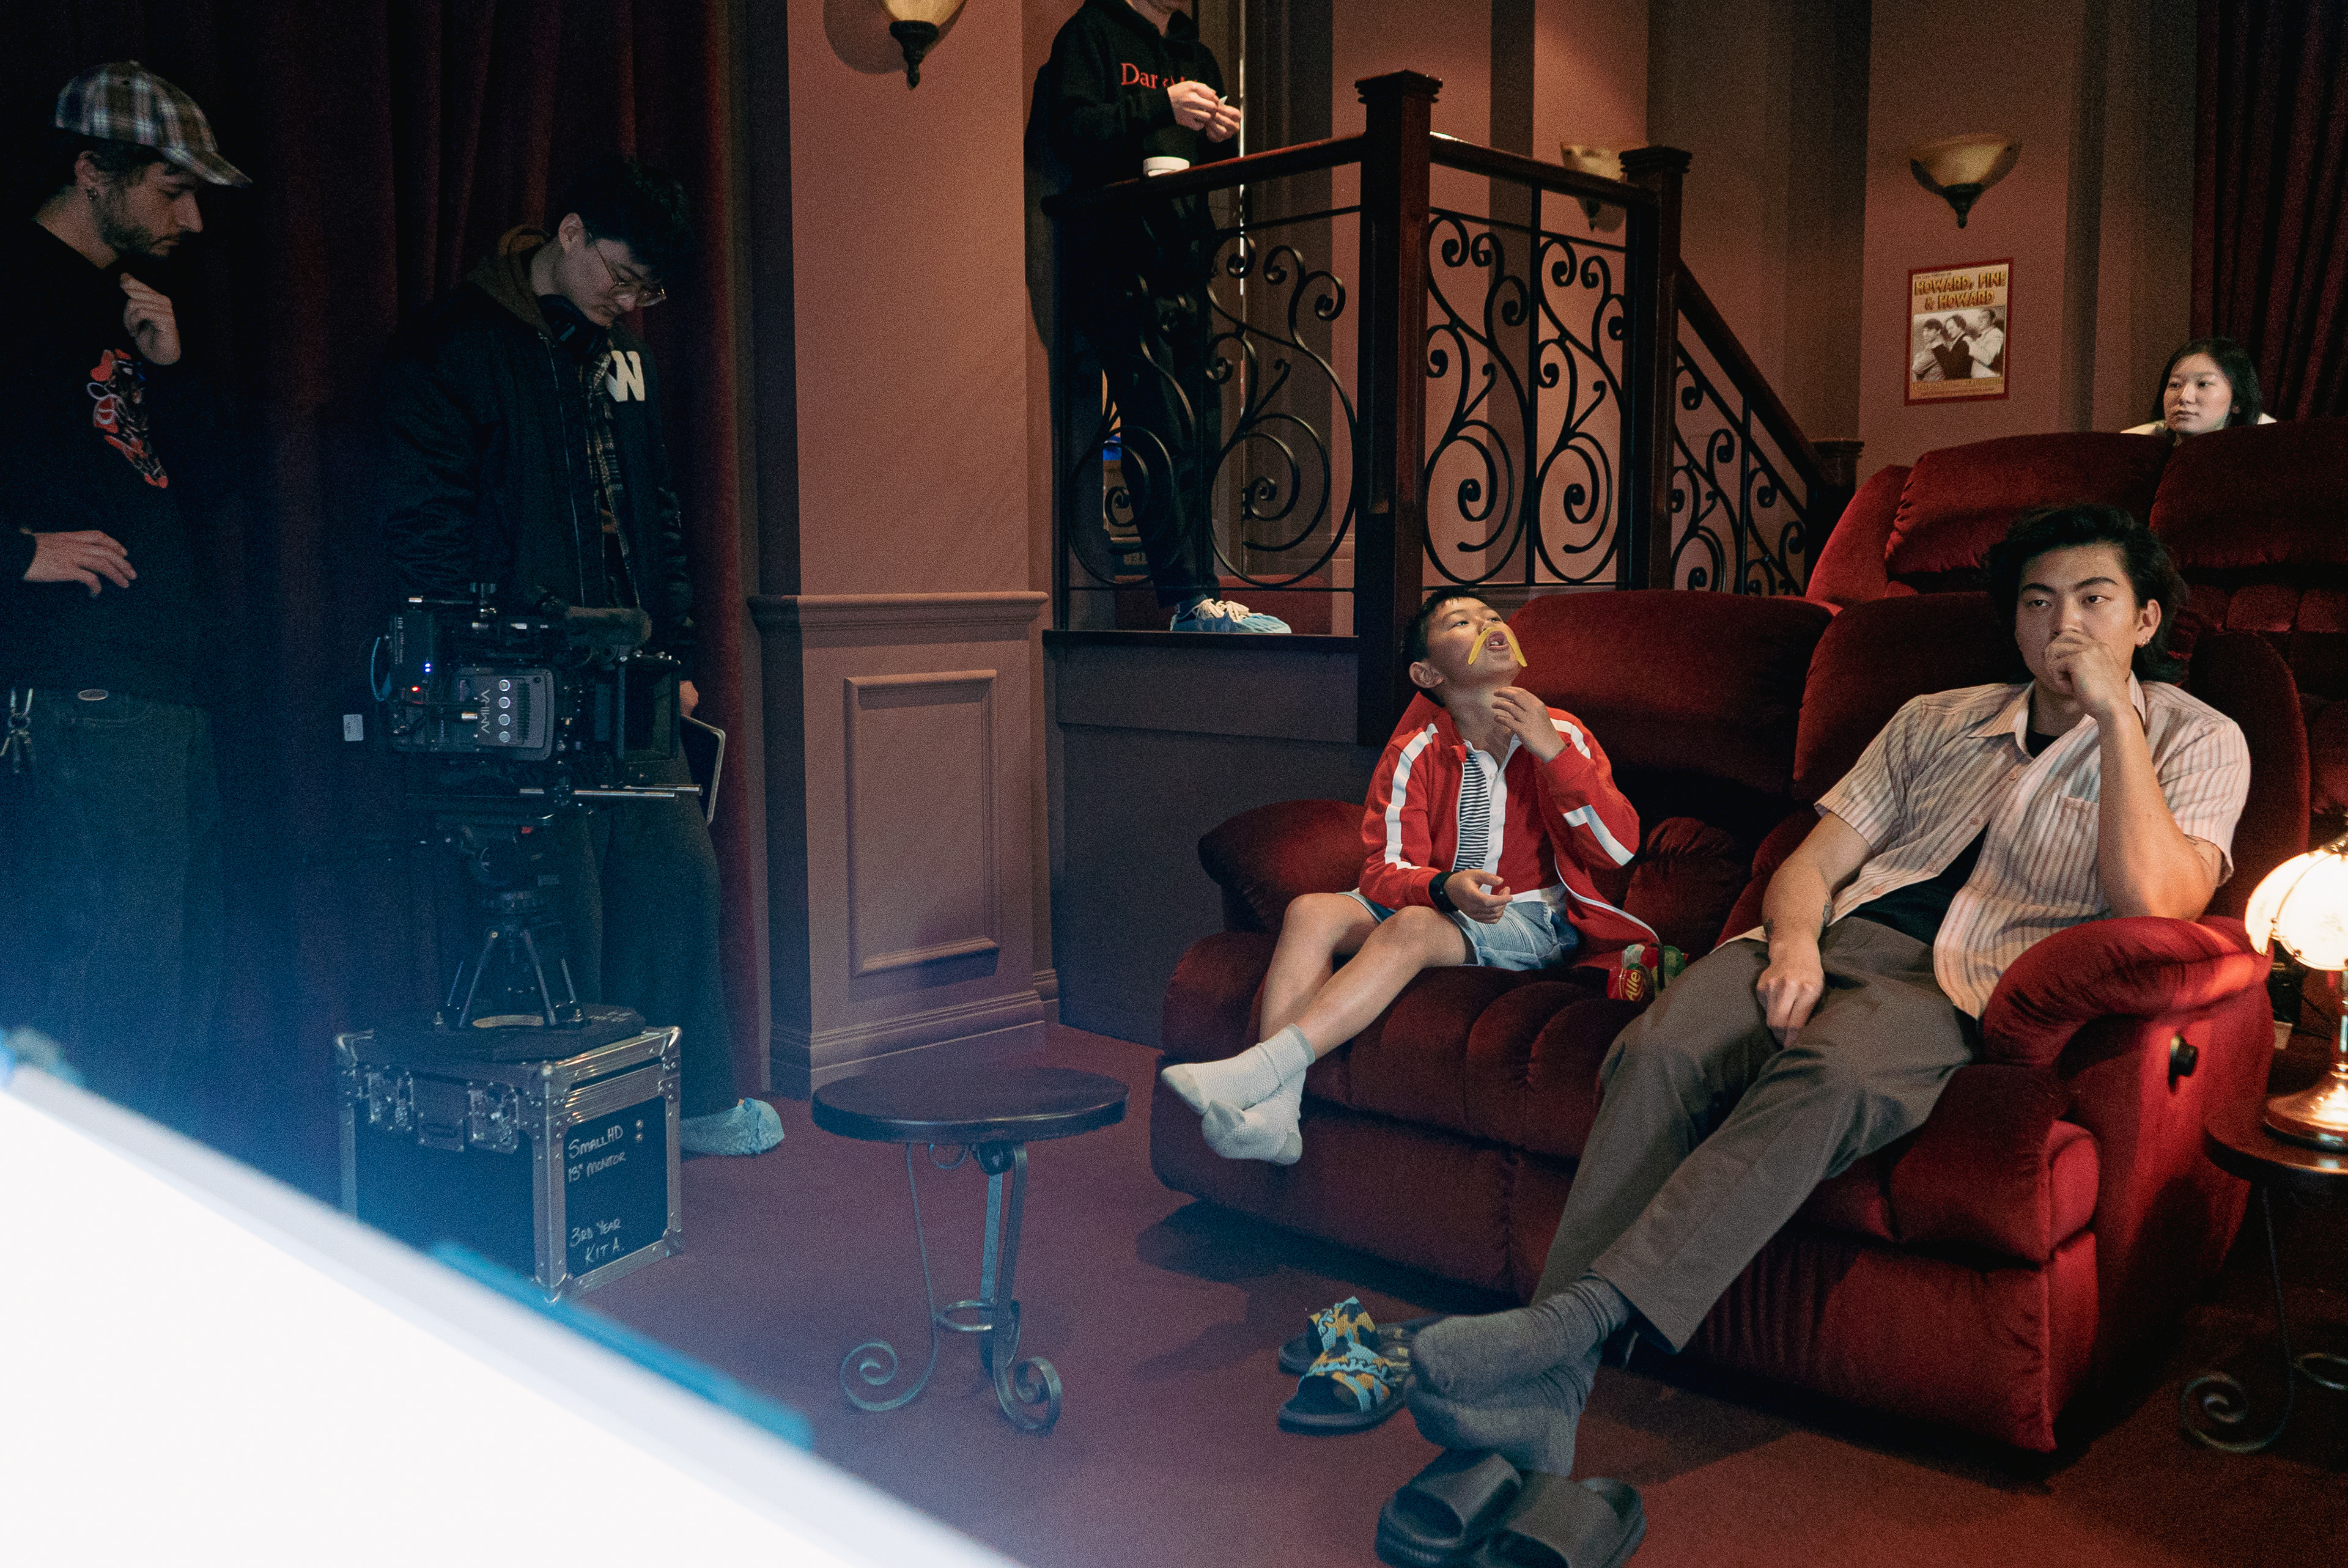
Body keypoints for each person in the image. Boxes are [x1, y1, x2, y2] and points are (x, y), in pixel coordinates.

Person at [1398, 504, 2251, 1480]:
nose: (2065, 624)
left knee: (1833, 1078)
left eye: (2095, 600)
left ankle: (1559, 1339)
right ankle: (1550, 1393)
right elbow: (1810, 864)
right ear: (2013, 622)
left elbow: (2156, 902)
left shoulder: (2198, 739)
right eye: (2038, 601)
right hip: (1828, 936)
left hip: (1958, 980)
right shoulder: (1935, 719)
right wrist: (1795, 945)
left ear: (2145, 619)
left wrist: (2114, 719)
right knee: (1660, 1047)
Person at [376, 154, 780, 1157]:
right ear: (570, 235)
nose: (631, 301)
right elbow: (425, 523)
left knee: (677, 875)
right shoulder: (458, 342)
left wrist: (675, 650)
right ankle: (575, 1134)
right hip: (516, 674)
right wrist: (471, 657)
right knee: (559, 901)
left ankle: (690, 1101)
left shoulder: (624, 359)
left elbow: (660, 516)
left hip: (629, 671)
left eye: (648, 289)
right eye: (623, 275)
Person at [1159, 591, 1653, 1162]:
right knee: (1310, 910)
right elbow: (1383, 871)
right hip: (1438, 901)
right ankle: (1278, 1115)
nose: (1488, 623)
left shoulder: (1562, 732)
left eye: (1493, 617)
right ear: (1427, 673)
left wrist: (1551, 751)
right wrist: (1443, 887)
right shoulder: (1414, 751)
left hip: (1530, 919)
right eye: (1462, 622)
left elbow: (1617, 849)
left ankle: (1259, 1070)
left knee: (1413, 926)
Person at [0, 62, 249, 1124]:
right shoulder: (15, 285)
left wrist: (174, 369)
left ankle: (136, 1195)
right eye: (170, 190)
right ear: (91, 171)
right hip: (82, 678)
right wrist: (18, 553)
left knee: (171, 976)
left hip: (162, 676)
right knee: (110, 973)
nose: (189, 220)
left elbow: (206, 488)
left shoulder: (128, 306)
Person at [1046, 0, 1288, 633]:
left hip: (1184, 262)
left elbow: (1207, 171)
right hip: (1115, 263)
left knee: (1202, 430)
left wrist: (1220, 136)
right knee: (1158, 425)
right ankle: (1189, 600)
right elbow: (1066, 132)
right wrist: (1161, 106)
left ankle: (1202, 595)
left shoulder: (1195, 53)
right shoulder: (1091, 33)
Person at [2122, 337, 2273, 440]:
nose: (2184, 397)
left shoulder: (2264, 451)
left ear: (2237, 401)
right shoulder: (2139, 447)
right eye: (2175, 385)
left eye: (2203, 384)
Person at [1964, 306, 2006, 378]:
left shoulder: (1996, 335)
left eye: (1984, 317)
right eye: (1979, 318)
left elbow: (1988, 360)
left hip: (1990, 378)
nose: (1980, 321)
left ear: (1992, 321)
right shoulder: (1983, 335)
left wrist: (1971, 343)